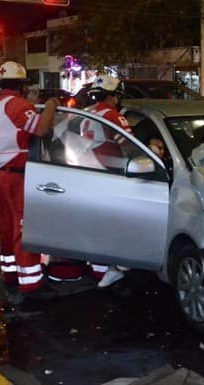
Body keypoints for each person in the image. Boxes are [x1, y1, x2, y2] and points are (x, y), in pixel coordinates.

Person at [0, 61, 59, 301]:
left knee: (7, 224)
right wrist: (50, 106)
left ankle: (10, 275)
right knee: (24, 228)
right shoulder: (17, 105)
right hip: (16, 173)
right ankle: (31, 285)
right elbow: (40, 129)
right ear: (20, 85)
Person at [81, 75, 133, 287]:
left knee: (95, 224)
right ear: (112, 96)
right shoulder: (112, 116)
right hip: (109, 176)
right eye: (117, 96)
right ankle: (112, 270)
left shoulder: (86, 113)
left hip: (87, 174)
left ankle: (97, 269)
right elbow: (130, 146)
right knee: (113, 225)